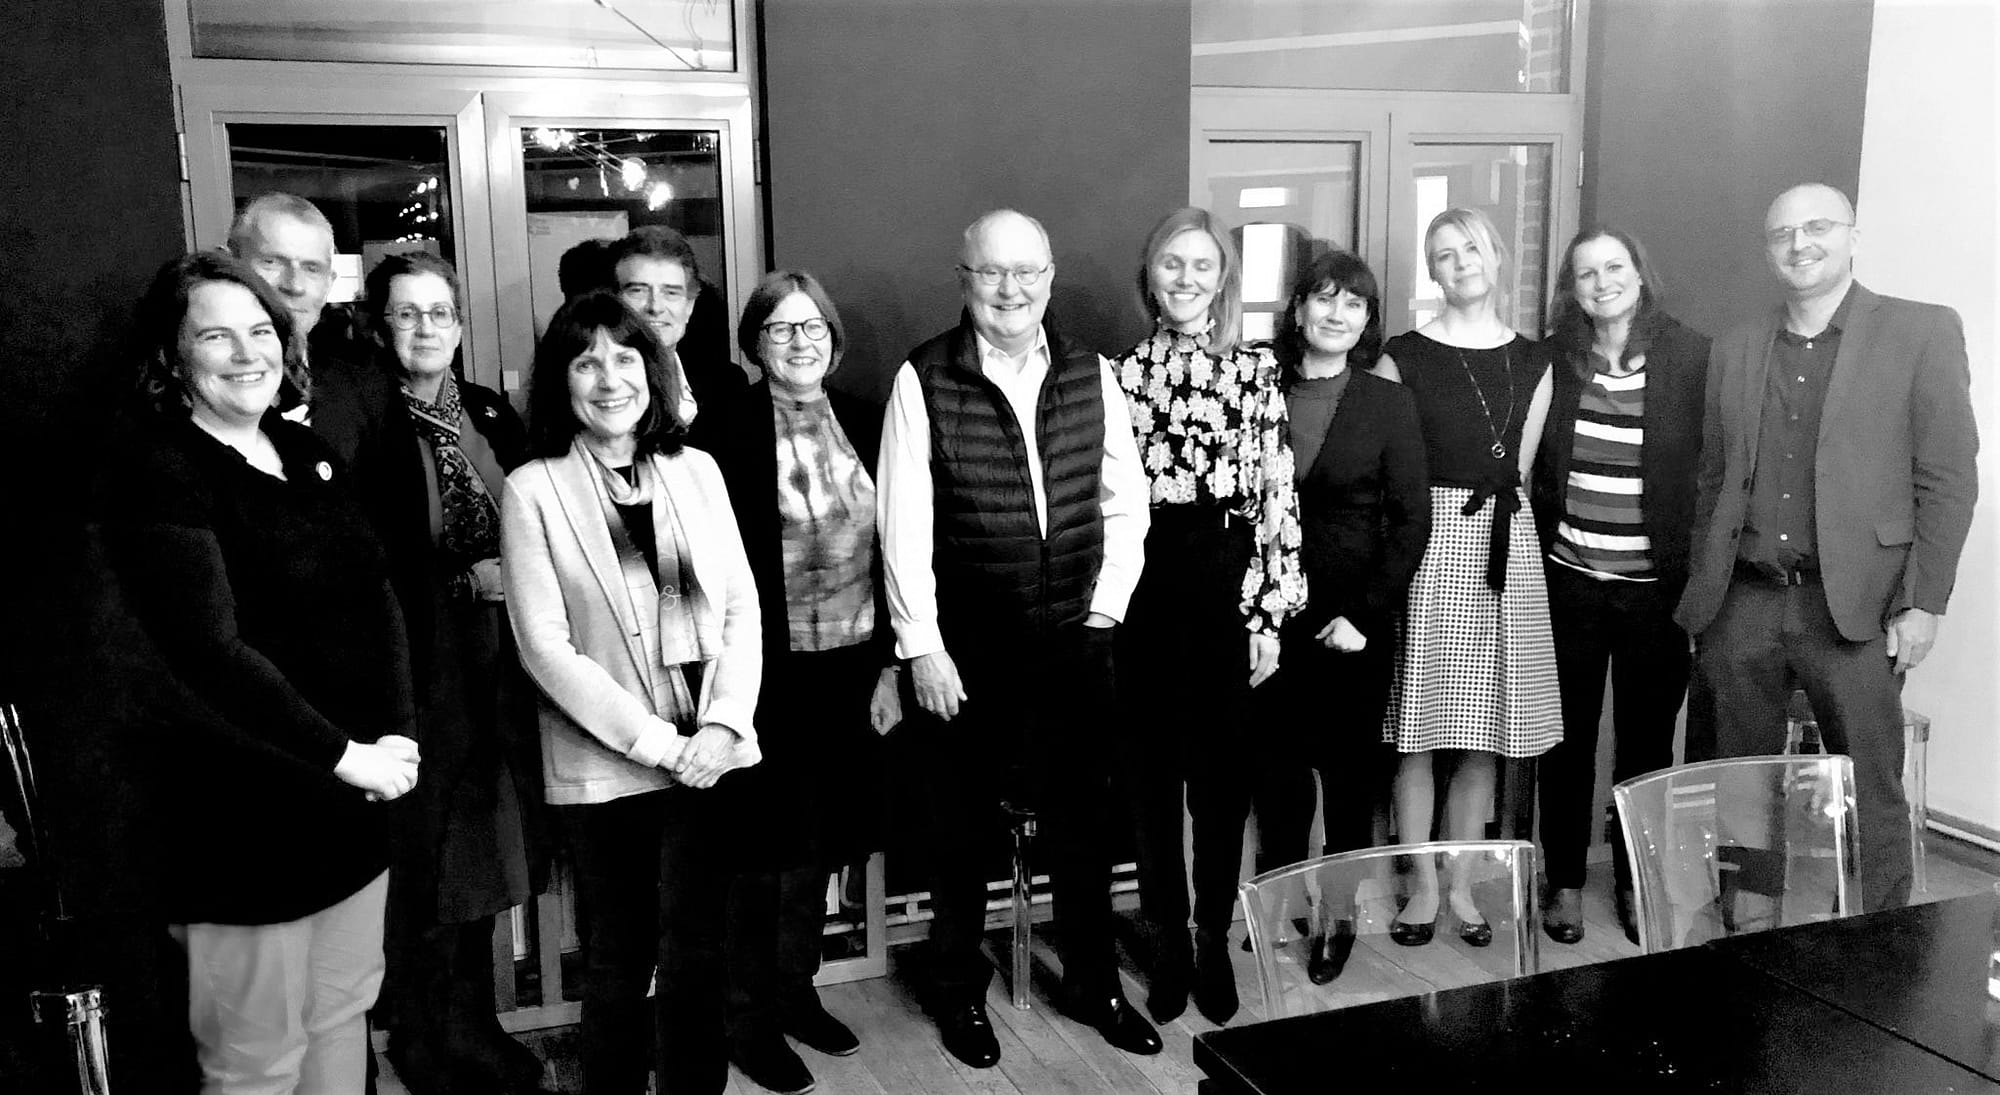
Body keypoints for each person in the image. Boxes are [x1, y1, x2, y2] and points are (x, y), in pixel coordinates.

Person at [107, 250, 422, 1093]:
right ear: (173, 356)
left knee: (342, 1013)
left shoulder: (303, 446)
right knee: (255, 1058)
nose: (248, 353)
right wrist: (348, 755)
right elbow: (209, 653)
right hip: (241, 817)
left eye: (260, 331)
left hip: (352, 802)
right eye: (217, 335)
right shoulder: (159, 469)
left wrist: (397, 733)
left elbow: (377, 593)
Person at [877, 209, 1158, 1066]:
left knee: (1083, 827)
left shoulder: (1091, 372)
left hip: (1076, 637)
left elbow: (1126, 500)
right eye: (992, 272)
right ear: (964, 279)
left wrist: (1105, 610)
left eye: (1027, 271)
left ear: (1050, 275)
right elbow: (902, 525)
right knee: (957, 833)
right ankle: (958, 988)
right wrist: (921, 645)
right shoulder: (923, 377)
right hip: (966, 650)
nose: (1011, 289)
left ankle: (1095, 984)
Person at [1675, 183, 1978, 912]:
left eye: (1817, 227)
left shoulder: (1921, 331)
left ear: (1852, 236)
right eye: (1782, 233)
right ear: (1768, 250)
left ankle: (1881, 937)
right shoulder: (1737, 346)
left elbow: (1947, 478)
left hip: (1860, 608)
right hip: (1745, 600)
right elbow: (1715, 475)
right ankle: (1749, 922)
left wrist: (1925, 602)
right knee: (1740, 780)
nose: (1799, 243)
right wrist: (1704, 588)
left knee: (1870, 782)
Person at [500, 289, 761, 1095]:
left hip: (710, 753)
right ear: (561, 381)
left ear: (653, 372)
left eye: (624, 358)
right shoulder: (533, 489)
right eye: (586, 362)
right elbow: (546, 648)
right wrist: (660, 745)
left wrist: (724, 724)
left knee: (700, 949)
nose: (609, 378)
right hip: (609, 764)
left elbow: (740, 606)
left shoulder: (697, 470)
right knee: (620, 957)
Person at [690, 270, 900, 1095]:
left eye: (813, 326)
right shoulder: (722, 428)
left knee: (818, 845)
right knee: (759, 853)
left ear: (834, 339)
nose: (800, 341)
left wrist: (892, 663)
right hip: (762, 671)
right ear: (755, 342)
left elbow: (902, 547)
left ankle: (794, 990)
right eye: (781, 328)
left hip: (851, 669)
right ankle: (745, 1018)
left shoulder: (870, 419)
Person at [1108, 207, 1305, 1025]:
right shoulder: (1118, 374)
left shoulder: (1256, 371)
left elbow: (1277, 494)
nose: (1186, 278)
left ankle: (1212, 937)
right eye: (1171, 263)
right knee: (1151, 785)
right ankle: (1166, 941)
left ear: (1223, 277)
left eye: (1201, 265)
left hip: (1226, 584)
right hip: (1145, 588)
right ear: (1149, 275)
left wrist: (1268, 615)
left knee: (1221, 787)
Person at [361, 251, 549, 1093]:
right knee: (428, 859)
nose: (426, 327)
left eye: (439, 312)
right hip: (419, 671)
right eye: (406, 312)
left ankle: (476, 1023)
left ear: (461, 325)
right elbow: (365, 558)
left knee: (487, 848)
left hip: (502, 666)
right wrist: (466, 580)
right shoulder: (365, 421)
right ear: (378, 326)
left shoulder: (488, 411)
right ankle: (423, 1037)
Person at [1377, 207, 1560, 947]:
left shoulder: (1536, 361)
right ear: (1433, 270)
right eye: (1445, 253)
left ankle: (1461, 884)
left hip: (1505, 544)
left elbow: (1523, 469)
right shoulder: (1402, 356)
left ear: (1497, 256)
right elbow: (1389, 471)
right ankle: (1422, 886)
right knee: (1418, 732)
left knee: (1485, 732)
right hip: (1428, 541)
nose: (1461, 262)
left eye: (1472, 248)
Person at [1251, 250, 1430, 981]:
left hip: (1352, 624)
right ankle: (1282, 903)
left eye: (1353, 304)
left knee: (1349, 778)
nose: (1336, 314)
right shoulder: (1256, 385)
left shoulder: (1388, 403)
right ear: (1297, 309)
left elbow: (1412, 521)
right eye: (1323, 298)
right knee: (1279, 774)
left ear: (1367, 321)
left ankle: (1339, 914)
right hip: (1267, 620)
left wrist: (1364, 613)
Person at [1530, 227, 1709, 946]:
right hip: (1569, 582)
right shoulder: (1555, 359)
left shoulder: (1690, 357)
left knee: (1646, 746)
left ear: (1639, 273)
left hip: (1656, 593)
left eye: (1614, 267)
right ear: (1570, 289)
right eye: (1586, 273)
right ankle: (1565, 881)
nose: (1602, 282)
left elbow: (1714, 466)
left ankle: (1637, 879)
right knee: (1566, 741)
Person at [227, 194, 412, 505]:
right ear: (229, 265)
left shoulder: (371, 390)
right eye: (272, 262)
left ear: (330, 282)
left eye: (311, 268)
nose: (294, 285)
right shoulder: (183, 395)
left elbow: (401, 522)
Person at [608, 227, 746, 421]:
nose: (655, 307)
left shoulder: (727, 386)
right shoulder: (594, 390)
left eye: (671, 293)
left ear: (689, 306)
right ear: (614, 301)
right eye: (638, 291)